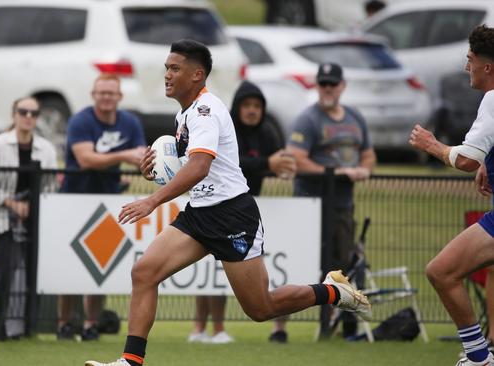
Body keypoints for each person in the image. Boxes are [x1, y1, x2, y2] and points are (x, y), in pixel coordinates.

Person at [85, 39, 370, 366]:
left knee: (261, 309)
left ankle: (333, 292)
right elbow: (187, 167)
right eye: (166, 67)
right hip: (199, 215)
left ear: (197, 75)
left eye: (174, 68)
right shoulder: (184, 114)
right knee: (144, 272)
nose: (166, 74)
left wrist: (153, 201)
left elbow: (200, 166)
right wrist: (156, 172)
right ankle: (131, 361)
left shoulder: (206, 110)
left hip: (232, 216)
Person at [409, 25, 494, 366]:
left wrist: (434, 146)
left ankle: (477, 357)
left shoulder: (492, 98)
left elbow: (465, 159)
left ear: (487, 67)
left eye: (470, 59)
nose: (465, 67)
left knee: (440, 271)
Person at [286, 62, 376, 338]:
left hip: (342, 206)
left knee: (341, 267)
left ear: (342, 86)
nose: (327, 89)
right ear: (316, 86)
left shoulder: (355, 118)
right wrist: (335, 173)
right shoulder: (307, 120)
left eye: (332, 84)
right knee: (300, 266)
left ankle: (340, 325)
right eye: (322, 83)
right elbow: (295, 159)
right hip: (310, 205)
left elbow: (369, 154)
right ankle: (283, 327)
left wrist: (363, 170)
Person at [57, 73, 146, 342]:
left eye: (111, 93)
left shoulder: (130, 122)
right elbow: (85, 159)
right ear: (93, 95)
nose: (106, 98)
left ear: (119, 96)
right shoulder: (81, 120)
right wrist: (123, 157)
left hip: (108, 202)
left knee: (101, 263)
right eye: (101, 93)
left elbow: (142, 156)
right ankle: (64, 324)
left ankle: (90, 324)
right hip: (74, 198)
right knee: (70, 265)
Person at [0, 96, 58, 342]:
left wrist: (31, 206)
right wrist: (11, 203)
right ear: (14, 114)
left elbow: (51, 184)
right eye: (23, 112)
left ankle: (24, 329)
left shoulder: (47, 149)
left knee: (30, 275)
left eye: (34, 113)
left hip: (32, 220)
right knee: (7, 275)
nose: (28, 117)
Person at [230, 80, 296, 343]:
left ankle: (279, 328)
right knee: (214, 274)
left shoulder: (268, 131)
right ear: (237, 108)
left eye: (257, 106)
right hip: (225, 208)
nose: (252, 111)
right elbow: (232, 163)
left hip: (257, 208)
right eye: (246, 105)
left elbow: (278, 162)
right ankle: (206, 329)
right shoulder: (228, 129)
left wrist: (283, 168)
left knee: (280, 270)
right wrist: (267, 163)